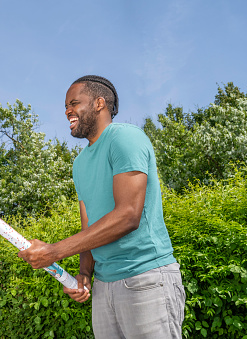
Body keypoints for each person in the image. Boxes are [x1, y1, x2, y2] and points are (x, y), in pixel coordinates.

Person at [18, 75, 186, 338]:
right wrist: (85, 273)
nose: (67, 111)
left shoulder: (125, 138)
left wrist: (54, 251)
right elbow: (90, 226)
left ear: (99, 103)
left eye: (74, 103)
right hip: (104, 286)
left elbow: (128, 215)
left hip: (145, 279)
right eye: (65, 106)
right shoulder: (80, 163)